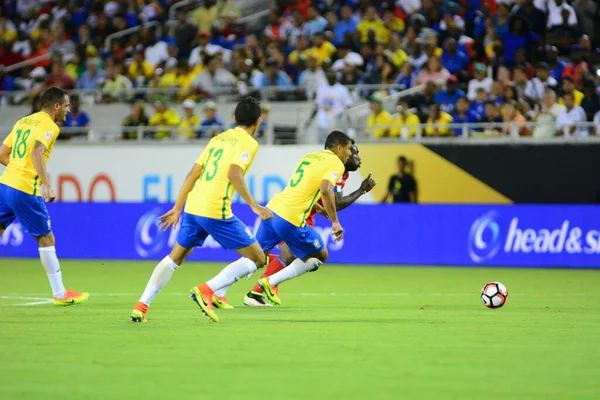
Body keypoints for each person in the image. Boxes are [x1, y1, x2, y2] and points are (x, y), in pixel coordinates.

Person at [130, 97, 272, 323]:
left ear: (234, 118)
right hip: (215, 209)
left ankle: (141, 305)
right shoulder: (249, 142)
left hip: (193, 206)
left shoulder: (217, 139)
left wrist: (178, 208)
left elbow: (192, 174)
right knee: (258, 257)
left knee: (174, 258)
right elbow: (234, 173)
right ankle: (208, 290)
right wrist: (255, 206)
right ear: (258, 121)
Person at [195, 131, 352, 318]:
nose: (350, 154)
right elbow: (326, 189)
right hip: (291, 219)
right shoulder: (336, 163)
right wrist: (335, 221)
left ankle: (210, 289)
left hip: (273, 209)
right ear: (339, 148)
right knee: (320, 255)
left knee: (256, 257)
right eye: (349, 149)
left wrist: (317, 208)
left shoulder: (309, 157)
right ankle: (270, 282)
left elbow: (300, 189)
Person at [238, 142, 377, 306]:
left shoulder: (333, 168)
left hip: (295, 210)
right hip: (295, 213)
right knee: (294, 256)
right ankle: (259, 288)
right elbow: (335, 202)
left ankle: (239, 289)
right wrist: (361, 191)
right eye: (353, 152)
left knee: (280, 255)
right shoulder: (336, 167)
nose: (358, 158)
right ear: (341, 150)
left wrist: (319, 208)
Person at [0, 87, 88, 305]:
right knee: (46, 238)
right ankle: (60, 294)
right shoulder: (50, 126)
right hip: (25, 188)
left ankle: (60, 293)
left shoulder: (23, 121)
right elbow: (37, 151)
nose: (68, 111)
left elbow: (2, 154)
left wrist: (17, 169)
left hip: (4, 184)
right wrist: (46, 185)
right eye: (66, 106)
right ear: (56, 106)